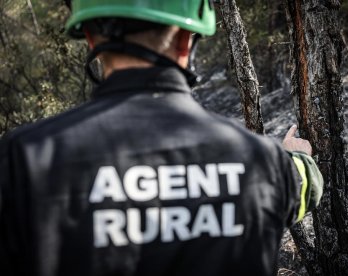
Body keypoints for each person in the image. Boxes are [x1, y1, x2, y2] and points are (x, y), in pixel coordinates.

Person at [0, 1, 323, 275]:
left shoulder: (27, 158)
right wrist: (297, 158)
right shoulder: (263, 162)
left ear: (90, 38)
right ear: (187, 38)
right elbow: (300, 190)